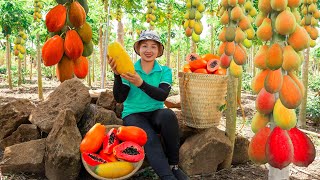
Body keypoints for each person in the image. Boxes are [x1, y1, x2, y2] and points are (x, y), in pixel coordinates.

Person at [108, 30, 189, 180]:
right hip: (133, 115)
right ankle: (167, 176)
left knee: (168, 115)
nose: (149, 50)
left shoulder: (165, 71)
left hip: (156, 112)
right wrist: (117, 75)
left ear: (159, 51)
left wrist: (140, 83)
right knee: (148, 137)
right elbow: (120, 97)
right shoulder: (129, 69)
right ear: (138, 49)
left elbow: (162, 95)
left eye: (153, 46)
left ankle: (174, 165)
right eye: (144, 46)